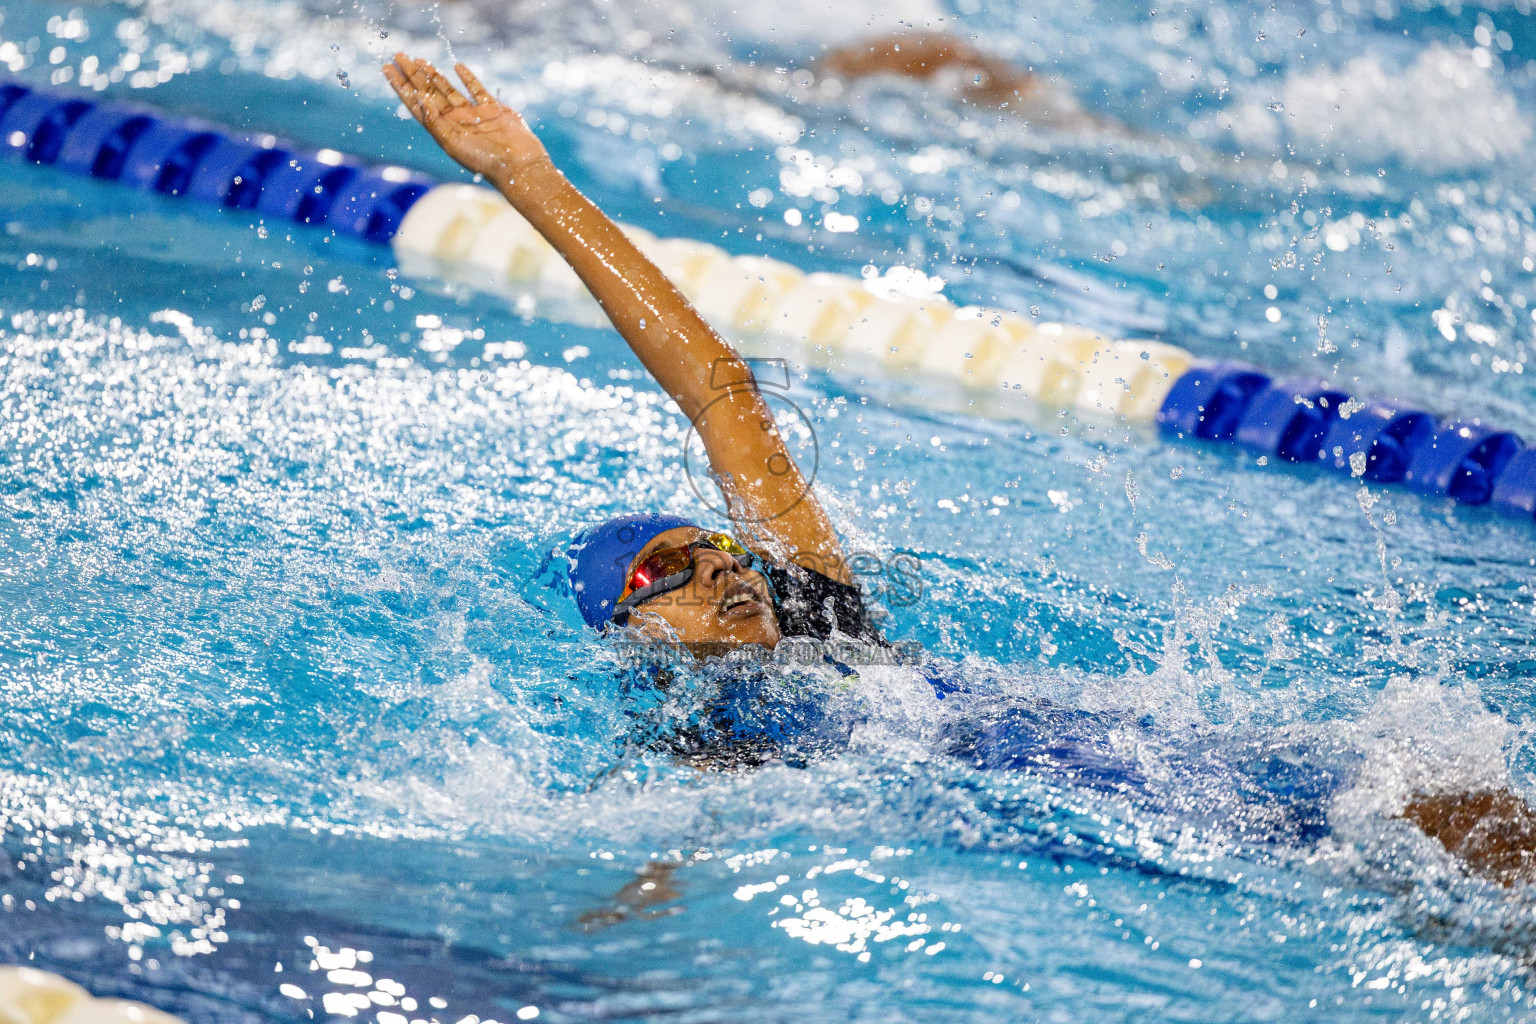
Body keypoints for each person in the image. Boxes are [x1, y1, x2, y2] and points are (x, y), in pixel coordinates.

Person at [382, 53, 1536, 891]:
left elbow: (720, 393)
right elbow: (652, 856)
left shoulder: (828, 623)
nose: (716, 564)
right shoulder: (705, 749)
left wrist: (528, 179)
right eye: (665, 572)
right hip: (1115, 834)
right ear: (629, 638)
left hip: (1190, 772)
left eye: (714, 542)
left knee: (1458, 812)